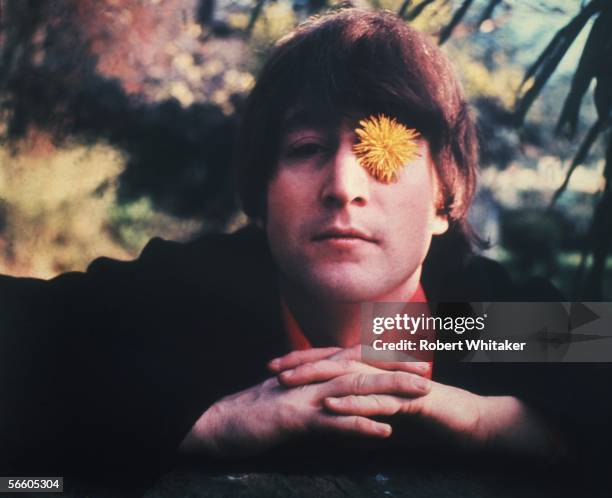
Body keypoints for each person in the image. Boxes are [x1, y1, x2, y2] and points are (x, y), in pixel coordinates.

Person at [0, 7, 608, 485]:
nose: (343, 188)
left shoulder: (471, 318)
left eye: (384, 154)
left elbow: (594, 360)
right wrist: (210, 426)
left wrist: (484, 419)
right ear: (260, 194)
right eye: (306, 149)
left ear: (444, 199)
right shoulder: (196, 289)